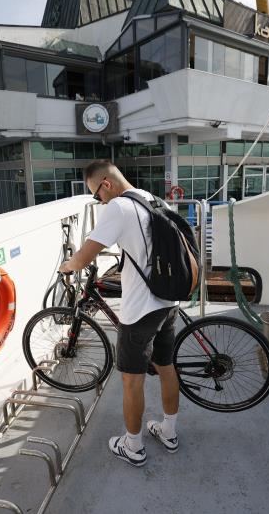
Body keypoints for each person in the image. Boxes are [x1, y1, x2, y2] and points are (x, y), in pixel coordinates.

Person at [59, 160, 180, 467]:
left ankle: (134, 446)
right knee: (166, 367)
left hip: (141, 309)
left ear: (107, 184)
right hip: (169, 301)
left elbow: (87, 254)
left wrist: (68, 265)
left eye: (97, 195)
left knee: (132, 380)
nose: (99, 202)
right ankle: (168, 431)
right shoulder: (153, 199)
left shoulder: (119, 207)